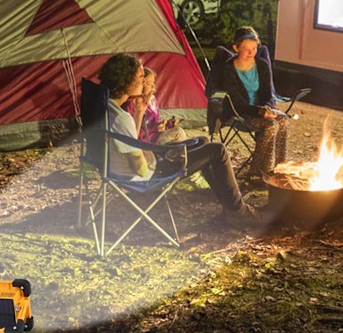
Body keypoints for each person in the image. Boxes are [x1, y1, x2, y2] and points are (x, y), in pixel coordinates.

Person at [98, 54, 265, 228]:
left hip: (127, 167)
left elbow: (130, 141)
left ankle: (228, 203)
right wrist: (153, 155)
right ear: (126, 81)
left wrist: (140, 112)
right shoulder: (121, 119)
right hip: (148, 175)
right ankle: (238, 212)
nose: (143, 81)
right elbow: (140, 169)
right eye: (140, 77)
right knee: (217, 150)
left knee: (202, 141)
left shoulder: (107, 107)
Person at [218, 26, 289, 180]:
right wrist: (258, 111)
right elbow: (236, 102)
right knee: (270, 126)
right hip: (240, 113)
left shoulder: (262, 66)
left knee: (283, 120)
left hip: (261, 111)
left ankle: (278, 168)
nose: (251, 53)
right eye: (246, 49)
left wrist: (268, 108)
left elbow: (268, 93)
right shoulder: (228, 70)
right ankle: (257, 173)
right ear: (236, 48)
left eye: (254, 48)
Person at [138, 67, 188, 145]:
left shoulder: (152, 100)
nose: (152, 87)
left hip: (155, 135)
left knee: (198, 139)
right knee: (179, 132)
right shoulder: (136, 103)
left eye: (153, 83)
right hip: (148, 140)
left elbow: (156, 123)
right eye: (148, 83)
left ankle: (177, 154)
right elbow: (141, 128)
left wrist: (168, 124)